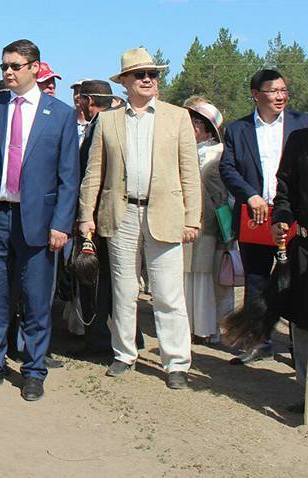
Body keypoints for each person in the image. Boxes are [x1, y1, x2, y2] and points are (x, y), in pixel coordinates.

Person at [77, 47, 201, 390]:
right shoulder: (107, 120)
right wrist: (86, 215)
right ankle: (124, 353)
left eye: (153, 74)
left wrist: (192, 218)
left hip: (166, 213)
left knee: (168, 293)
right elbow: (94, 172)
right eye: (140, 74)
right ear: (125, 82)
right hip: (121, 212)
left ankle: (176, 361)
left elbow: (190, 173)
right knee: (124, 288)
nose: (148, 79)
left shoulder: (178, 117)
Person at [0, 40, 79, 401]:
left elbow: (68, 177)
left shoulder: (58, 115)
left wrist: (61, 224)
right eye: (4, 67)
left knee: (34, 298)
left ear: (35, 67)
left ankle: (33, 370)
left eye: (15, 66)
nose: (8, 72)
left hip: (39, 221)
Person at [220, 68, 308, 365]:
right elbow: (227, 169)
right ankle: (260, 340)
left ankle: (299, 348)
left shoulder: (302, 124)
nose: (280, 96)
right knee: (256, 279)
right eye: (273, 91)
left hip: (292, 216)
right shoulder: (237, 129)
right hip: (255, 214)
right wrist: (250, 195)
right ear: (256, 95)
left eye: (284, 90)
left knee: (295, 283)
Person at [182, 97, 235, 343]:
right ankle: (192, 325)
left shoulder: (220, 153)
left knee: (212, 277)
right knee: (190, 275)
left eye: (193, 123)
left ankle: (211, 328)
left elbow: (226, 195)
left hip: (213, 226)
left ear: (204, 127)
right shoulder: (187, 150)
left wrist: (229, 229)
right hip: (188, 224)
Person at [73, 79, 119, 357]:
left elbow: (90, 173)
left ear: (89, 101)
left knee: (97, 280)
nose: (78, 103)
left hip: (98, 217)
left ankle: (100, 338)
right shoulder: (115, 125)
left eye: (81, 99)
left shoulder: (101, 127)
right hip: (107, 215)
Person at [271, 126, 308, 415]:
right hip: (305, 246)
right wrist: (281, 217)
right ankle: (305, 392)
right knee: (302, 323)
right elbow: (284, 188)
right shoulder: (299, 140)